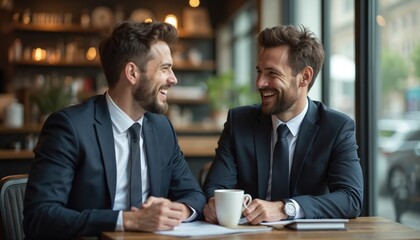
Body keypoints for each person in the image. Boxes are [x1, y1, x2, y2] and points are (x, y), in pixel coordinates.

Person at [23, 21, 206, 239]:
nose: (173, 79)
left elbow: (193, 194)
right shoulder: (69, 127)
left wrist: (180, 211)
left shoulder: (162, 129)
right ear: (132, 73)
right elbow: (40, 217)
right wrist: (129, 220)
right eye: (165, 68)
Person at [202, 25, 364, 225]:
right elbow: (215, 186)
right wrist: (213, 203)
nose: (260, 82)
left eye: (272, 73)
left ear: (305, 77)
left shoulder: (336, 127)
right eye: (259, 71)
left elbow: (351, 198)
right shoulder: (239, 122)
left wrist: (284, 208)